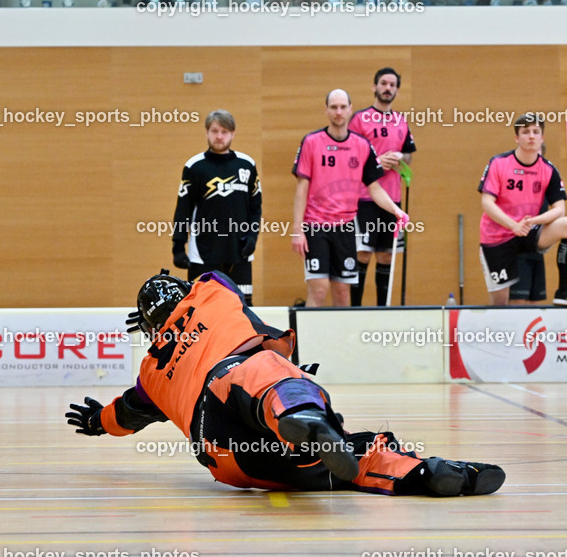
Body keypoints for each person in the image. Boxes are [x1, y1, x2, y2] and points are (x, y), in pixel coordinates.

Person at [66, 271, 505, 497]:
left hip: (227, 458)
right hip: (231, 380)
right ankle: (306, 417)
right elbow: (215, 280)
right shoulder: (211, 292)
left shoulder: (150, 372)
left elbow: (127, 414)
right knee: (272, 372)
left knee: (335, 462)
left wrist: (97, 421)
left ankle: (424, 475)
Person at [291, 89, 407, 308]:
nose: (338, 112)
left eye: (343, 107)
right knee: (319, 289)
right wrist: (297, 230)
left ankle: (339, 333)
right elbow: (301, 188)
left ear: (350, 110)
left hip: (346, 227)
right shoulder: (311, 142)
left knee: (343, 293)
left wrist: (396, 211)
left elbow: (374, 188)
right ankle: (308, 331)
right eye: (334, 107)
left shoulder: (362, 145)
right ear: (326, 110)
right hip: (316, 226)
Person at [478, 112, 567, 307]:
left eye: (535, 131)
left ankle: (565, 289)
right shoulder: (498, 163)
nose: (531, 136)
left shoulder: (548, 170)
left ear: (542, 137)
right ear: (517, 138)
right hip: (497, 238)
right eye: (525, 132)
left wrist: (534, 221)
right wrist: (513, 225)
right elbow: (487, 203)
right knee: (500, 302)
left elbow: (559, 209)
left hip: (528, 231)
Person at [172, 110, 261, 305]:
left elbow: (255, 207)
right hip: (203, 253)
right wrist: (178, 246)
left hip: (239, 252)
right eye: (214, 131)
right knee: (202, 308)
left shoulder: (247, 165)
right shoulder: (194, 167)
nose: (219, 136)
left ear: (233, 133)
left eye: (224, 131)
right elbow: (183, 209)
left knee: (242, 308)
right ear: (207, 132)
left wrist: (252, 237)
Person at [348, 67, 416, 307]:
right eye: (384, 83)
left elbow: (409, 156)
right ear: (374, 86)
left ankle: (381, 309)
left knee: (387, 255)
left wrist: (399, 157)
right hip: (364, 197)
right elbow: (349, 155)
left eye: (392, 85)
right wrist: (376, 162)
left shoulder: (401, 121)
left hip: (392, 198)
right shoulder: (360, 119)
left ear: (397, 90)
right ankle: (355, 309)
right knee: (363, 253)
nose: (388, 88)